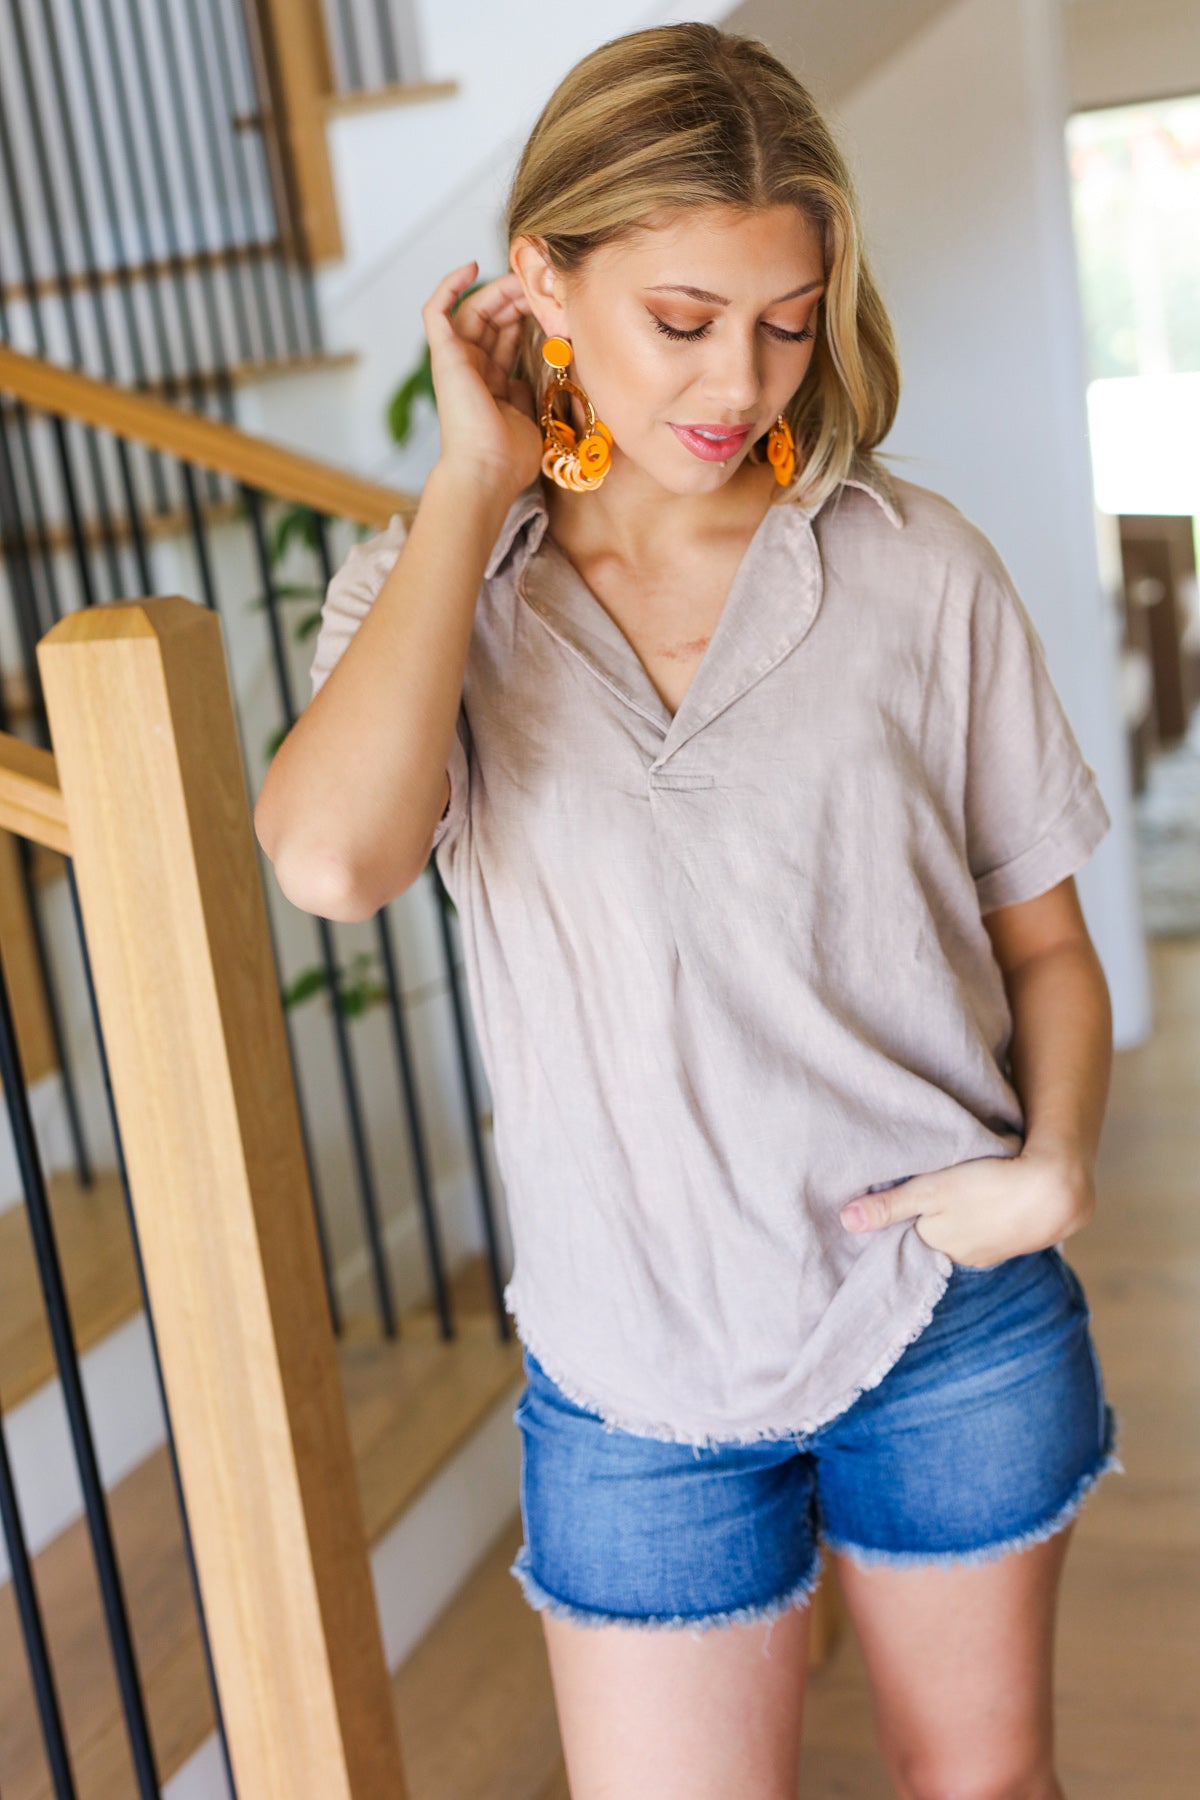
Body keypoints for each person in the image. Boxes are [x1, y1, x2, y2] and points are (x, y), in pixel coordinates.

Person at [255, 22, 1123, 1800]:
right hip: (633, 1374)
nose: (741, 379)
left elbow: (1045, 942)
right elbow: (336, 865)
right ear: (540, 284)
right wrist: (470, 484)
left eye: (788, 318)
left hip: (941, 1324)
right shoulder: (442, 597)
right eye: (681, 320)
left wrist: (1053, 1169)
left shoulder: (915, 565)